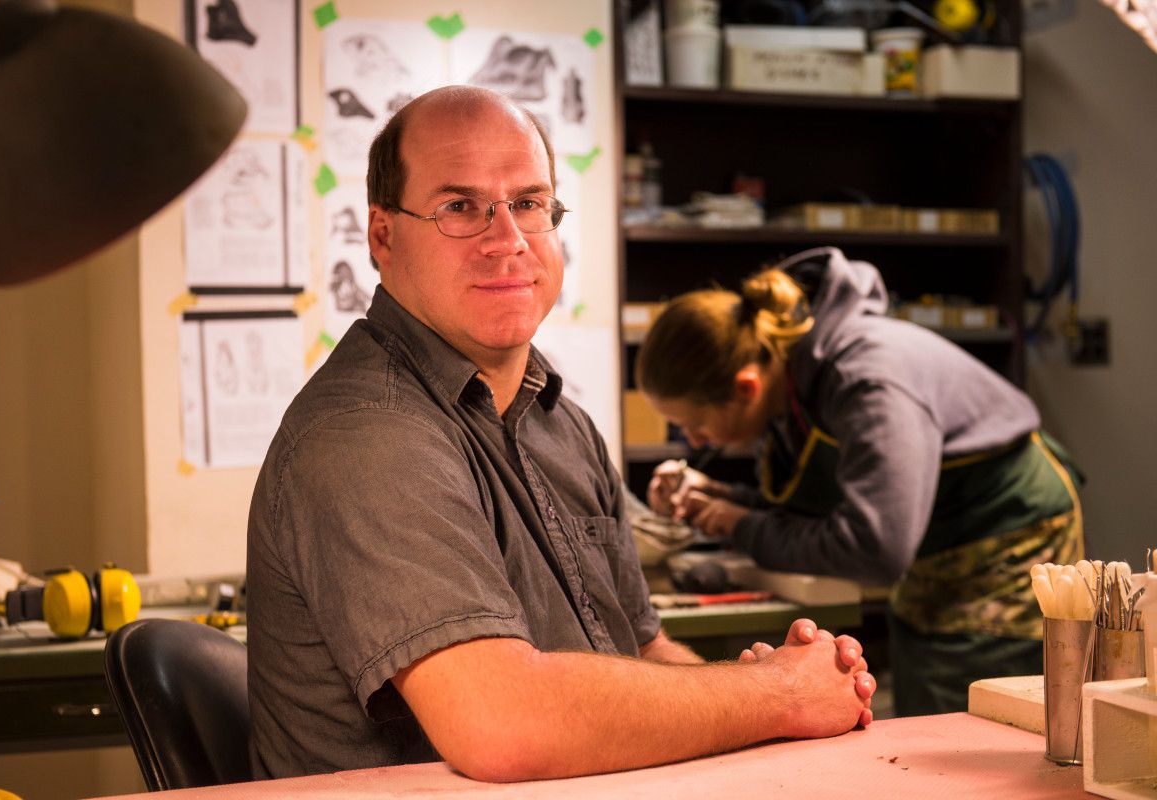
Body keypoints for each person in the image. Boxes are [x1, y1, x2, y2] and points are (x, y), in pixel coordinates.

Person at [246, 87, 875, 783]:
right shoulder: (364, 435)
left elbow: (642, 649)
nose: (507, 240)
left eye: (529, 203)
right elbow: (499, 724)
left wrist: (778, 688)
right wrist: (777, 697)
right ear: (383, 236)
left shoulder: (562, 423)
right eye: (460, 208)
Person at [638, 247, 1084, 717]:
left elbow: (874, 548)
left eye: (694, 424)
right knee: (924, 698)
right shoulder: (793, 373)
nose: (692, 440)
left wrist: (742, 526)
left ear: (747, 386)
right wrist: (726, 497)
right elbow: (841, 496)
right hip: (936, 546)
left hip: (1007, 542)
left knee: (969, 711)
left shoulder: (867, 381)